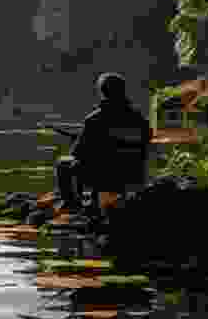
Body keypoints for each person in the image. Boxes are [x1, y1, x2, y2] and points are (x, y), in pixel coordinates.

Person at [57, 72, 153, 225]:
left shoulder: (94, 119)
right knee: (99, 160)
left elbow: (78, 153)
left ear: (102, 92)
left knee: (64, 164)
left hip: (103, 176)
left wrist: (78, 140)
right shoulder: (140, 118)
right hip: (133, 174)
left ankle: (72, 205)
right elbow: (144, 141)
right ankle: (97, 203)